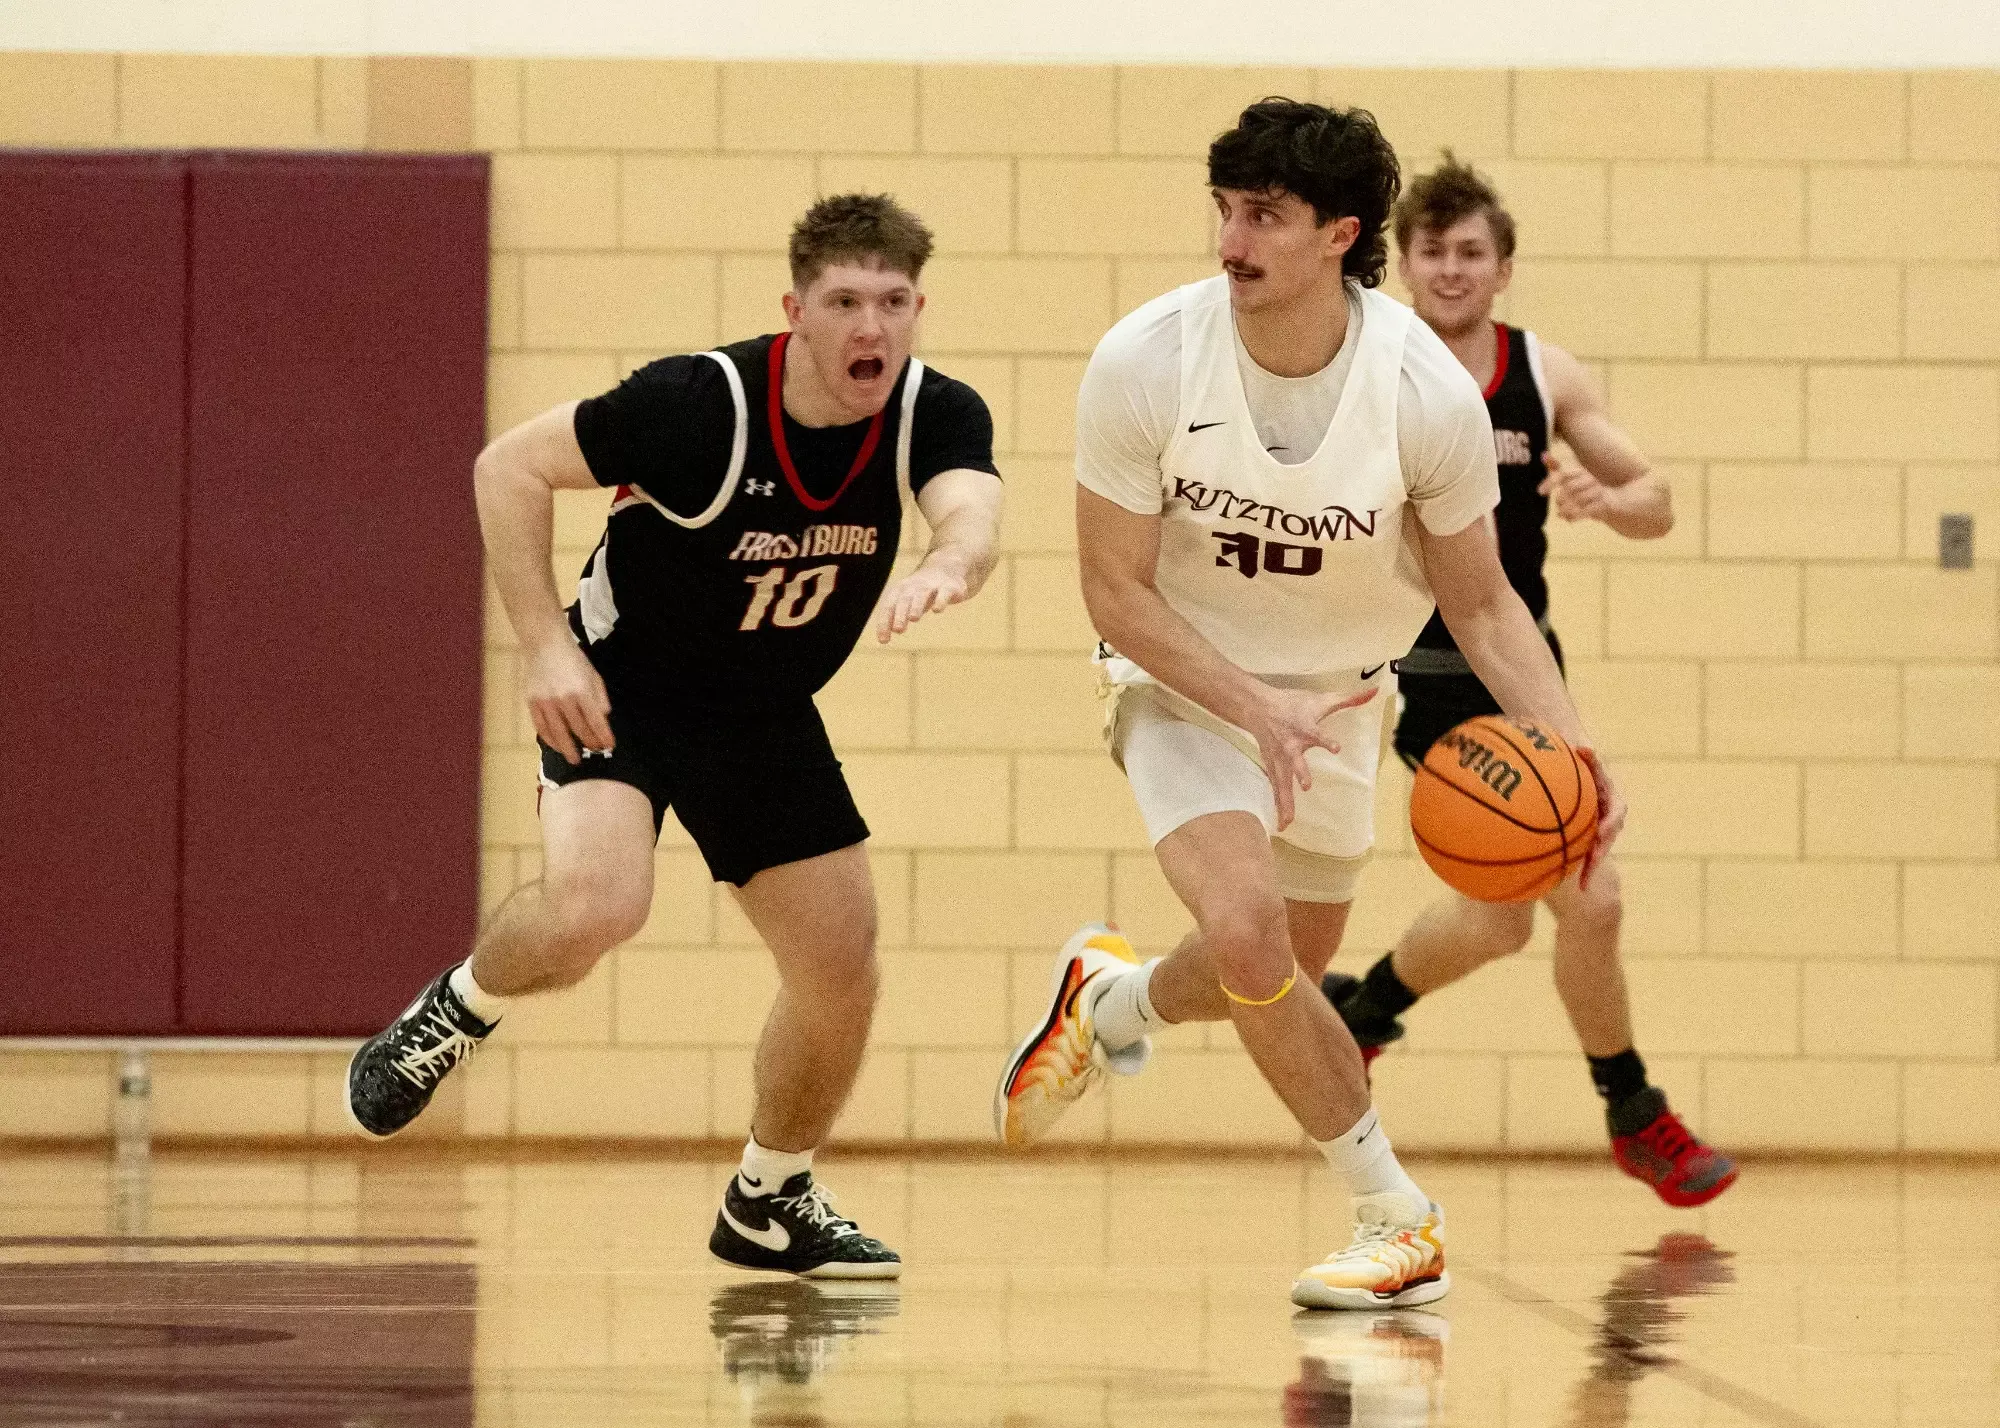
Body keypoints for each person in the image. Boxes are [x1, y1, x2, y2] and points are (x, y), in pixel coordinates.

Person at [993, 100, 1625, 1311]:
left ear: (1338, 234)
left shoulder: (1422, 393)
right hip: (1179, 679)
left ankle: (1110, 998)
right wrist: (1245, 704)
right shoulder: (1144, 360)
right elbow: (1111, 589)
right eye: (1225, 211)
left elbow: (1485, 608)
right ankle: (1397, 1215)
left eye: (1264, 218)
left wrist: (1575, 760)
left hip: (1337, 702)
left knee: (1271, 966)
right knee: (1245, 932)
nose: (1231, 241)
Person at [346, 194, 1004, 1278]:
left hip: (758, 712)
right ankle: (456, 1008)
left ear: (918, 309)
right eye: (843, 302)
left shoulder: (933, 410)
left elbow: (970, 510)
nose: (869, 328)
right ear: (795, 309)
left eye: (892, 302)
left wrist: (949, 563)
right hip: (621, 688)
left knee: (841, 962)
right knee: (594, 912)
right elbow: (505, 468)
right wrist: (543, 647)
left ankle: (769, 1195)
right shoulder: (697, 405)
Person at [1320, 156, 1735, 1209]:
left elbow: (1657, 501)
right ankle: (1635, 1113)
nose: (1451, 269)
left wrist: (1608, 495)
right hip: (1427, 668)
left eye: (1471, 253)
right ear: (1399, 266)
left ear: (1502, 268)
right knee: (1588, 894)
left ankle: (1360, 1015)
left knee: (1502, 917)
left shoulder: (1539, 374)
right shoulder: (1370, 368)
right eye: (1432, 252)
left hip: (1523, 662)